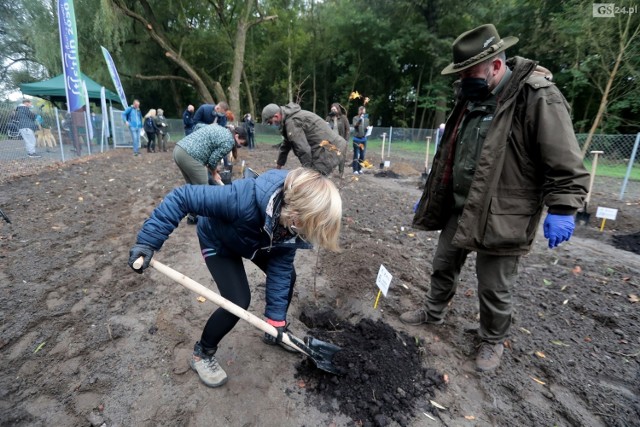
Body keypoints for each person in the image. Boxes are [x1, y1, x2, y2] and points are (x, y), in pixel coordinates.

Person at [400, 24, 590, 372]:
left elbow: (563, 157)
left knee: (494, 288)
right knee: (443, 265)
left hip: (505, 213)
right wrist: (430, 194)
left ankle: (491, 340)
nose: (463, 80)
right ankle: (433, 312)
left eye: (469, 73)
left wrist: (563, 207)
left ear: (496, 66)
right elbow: (449, 151)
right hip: (461, 207)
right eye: (461, 74)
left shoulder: (536, 96)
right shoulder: (469, 97)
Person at [128, 167, 342, 388]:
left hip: (255, 241)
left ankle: (275, 331)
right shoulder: (241, 199)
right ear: (295, 212)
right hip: (218, 242)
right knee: (237, 300)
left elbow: (281, 265)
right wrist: (147, 242)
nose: (308, 234)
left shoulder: (292, 228)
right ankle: (202, 353)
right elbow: (182, 198)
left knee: (288, 277)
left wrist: (275, 319)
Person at [173, 124, 248, 224]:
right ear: (237, 136)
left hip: (179, 150)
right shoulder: (229, 141)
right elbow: (212, 160)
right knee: (205, 191)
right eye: (239, 144)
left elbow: (198, 126)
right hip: (191, 156)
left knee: (193, 188)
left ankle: (192, 217)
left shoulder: (222, 129)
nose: (238, 146)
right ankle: (206, 222)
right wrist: (214, 173)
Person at [262, 103, 347, 176]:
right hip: (332, 147)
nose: (270, 125)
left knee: (313, 183)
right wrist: (279, 165)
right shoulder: (289, 119)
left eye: (270, 122)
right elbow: (286, 144)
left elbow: (303, 149)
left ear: (276, 116)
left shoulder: (292, 122)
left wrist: (307, 171)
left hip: (329, 151)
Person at [326, 103, 350, 176]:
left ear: (338, 110)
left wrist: (346, 140)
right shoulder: (328, 118)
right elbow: (325, 128)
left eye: (334, 109)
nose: (333, 110)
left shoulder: (343, 118)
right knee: (330, 156)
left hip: (341, 140)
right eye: (332, 109)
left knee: (341, 157)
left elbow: (348, 130)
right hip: (331, 140)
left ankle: (341, 173)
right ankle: (330, 172)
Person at [351, 106, 370, 175]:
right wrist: (360, 120)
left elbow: (366, 128)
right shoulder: (355, 118)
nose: (363, 113)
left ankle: (360, 168)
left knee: (362, 155)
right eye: (362, 112)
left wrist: (368, 129)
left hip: (363, 139)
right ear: (359, 111)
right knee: (356, 154)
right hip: (356, 139)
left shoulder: (367, 119)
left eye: (364, 112)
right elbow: (355, 126)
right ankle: (355, 169)